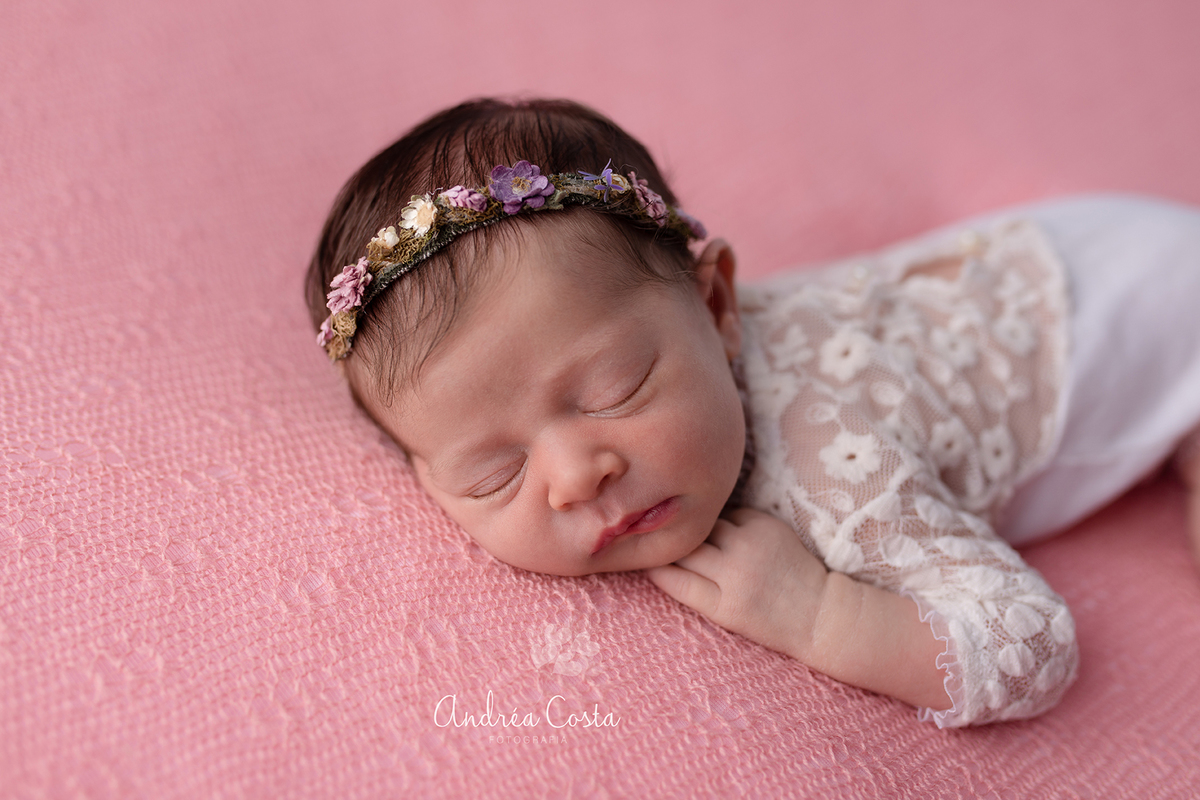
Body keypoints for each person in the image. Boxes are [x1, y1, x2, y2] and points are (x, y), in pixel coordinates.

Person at [305, 97, 1200, 727]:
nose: (578, 476)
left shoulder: (835, 471)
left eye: (617, 389)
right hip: (1066, 252)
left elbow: (1031, 644)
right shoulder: (650, 329)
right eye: (491, 474)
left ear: (719, 308)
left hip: (1162, 300)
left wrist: (820, 615)